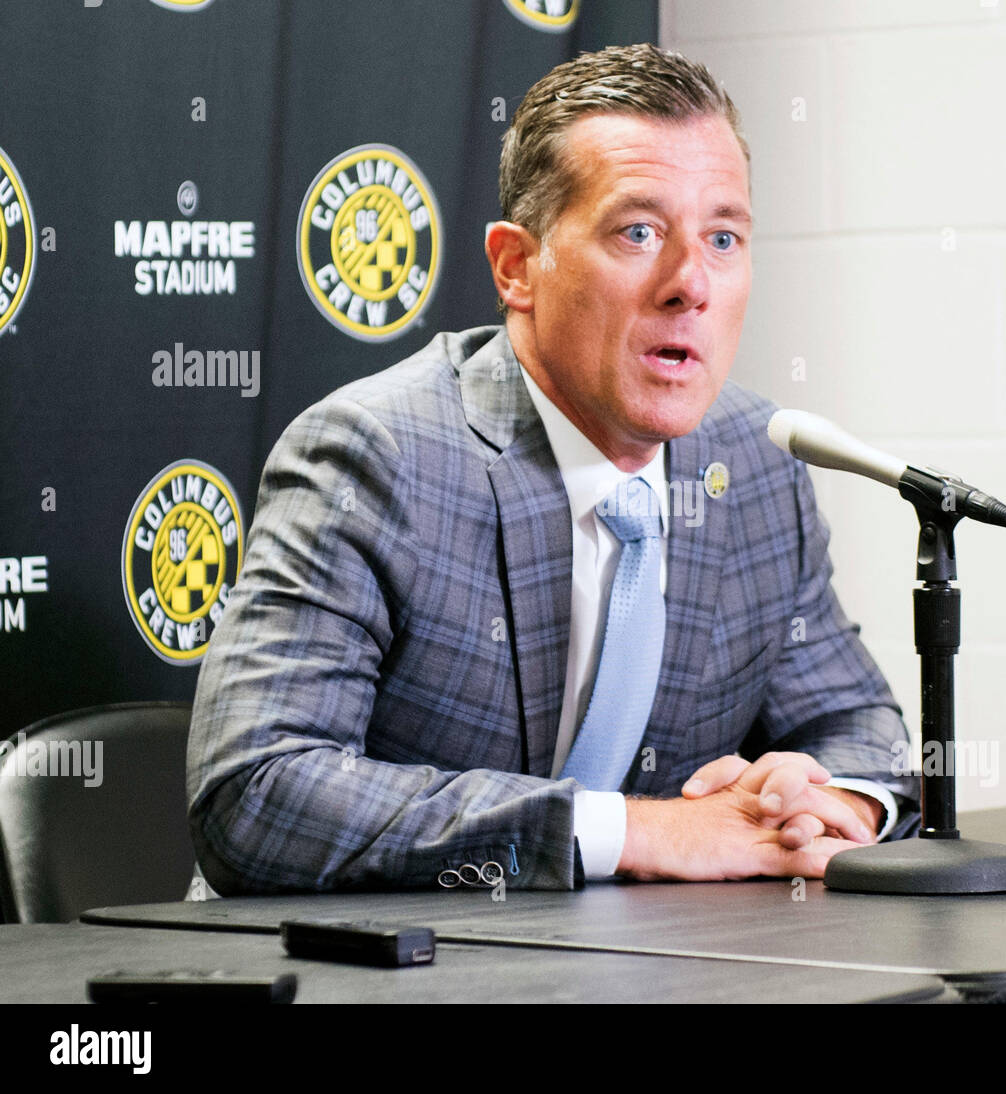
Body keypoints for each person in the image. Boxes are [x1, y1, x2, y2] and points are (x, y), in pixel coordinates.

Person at [187, 43, 919, 894]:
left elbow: (861, 726)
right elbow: (255, 794)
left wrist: (827, 803)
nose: (691, 283)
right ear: (516, 267)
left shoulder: (754, 463)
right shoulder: (380, 457)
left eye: (724, 236)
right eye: (638, 232)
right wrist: (640, 832)